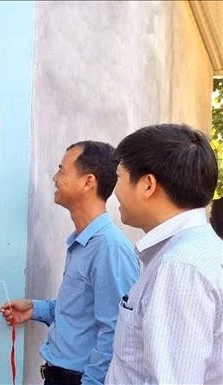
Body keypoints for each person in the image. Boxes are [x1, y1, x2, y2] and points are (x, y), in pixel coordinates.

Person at [1, 141, 139, 385]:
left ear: (88, 182)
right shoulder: (82, 242)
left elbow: (116, 330)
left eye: (62, 170)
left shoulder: (109, 248)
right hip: (59, 375)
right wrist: (35, 309)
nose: (55, 177)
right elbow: (81, 310)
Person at [105, 123, 223, 384]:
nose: (115, 191)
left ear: (148, 185)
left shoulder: (180, 267)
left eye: (120, 177)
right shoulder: (198, 251)